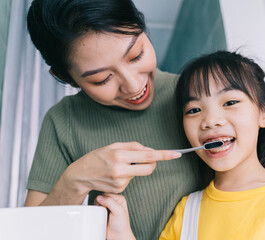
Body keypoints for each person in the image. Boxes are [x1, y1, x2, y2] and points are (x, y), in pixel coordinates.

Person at [98, 50, 265, 239]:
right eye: (194, 109)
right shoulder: (188, 212)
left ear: (264, 113)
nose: (210, 121)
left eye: (230, 102)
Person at [24, 0, 211, 239]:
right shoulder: (63, 121)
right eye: (102, 79)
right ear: (66, 78)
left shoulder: (198, 96)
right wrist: (76, 179)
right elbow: (28, 232)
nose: (134, 85)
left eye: (136, 55)